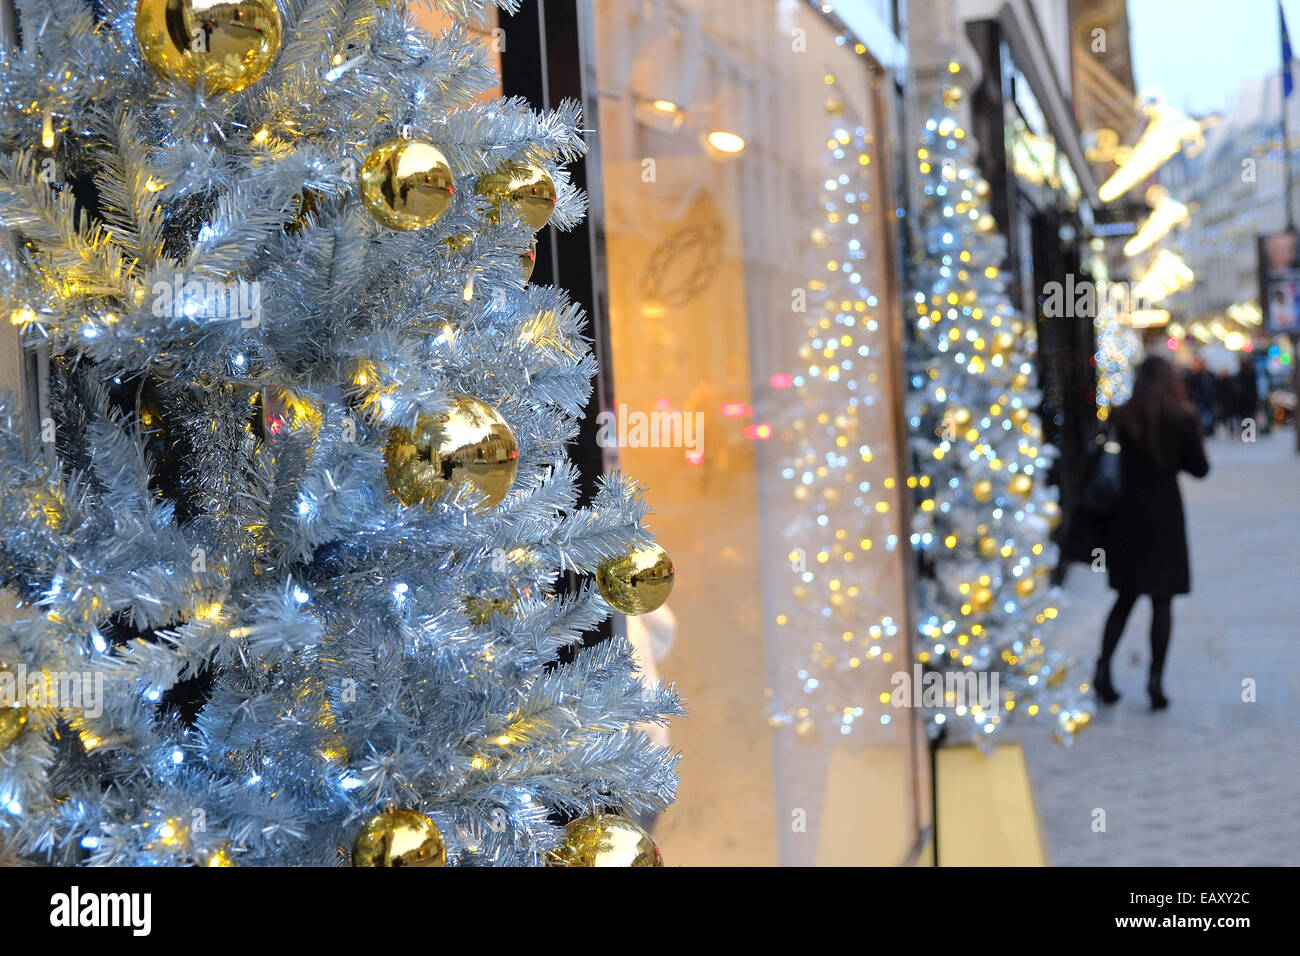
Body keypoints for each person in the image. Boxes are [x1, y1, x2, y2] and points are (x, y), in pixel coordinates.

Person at [1093, 355, 1209, 710]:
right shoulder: (1182, 417)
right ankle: (1155, 680)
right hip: (1164, 517)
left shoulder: (1122, 415)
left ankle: (1102, 670)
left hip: (1127, 516)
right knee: (1162, 601)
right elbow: (1200, 468)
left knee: (1125, 597)